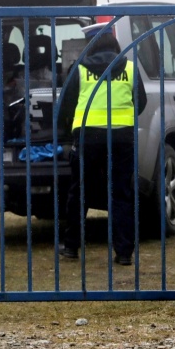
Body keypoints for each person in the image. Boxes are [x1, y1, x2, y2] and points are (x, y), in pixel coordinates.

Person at [60, 25, 147, 265]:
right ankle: (123, 253)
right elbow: (141, 102)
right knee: (121, 193)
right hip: (122, 139)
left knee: (80, 192)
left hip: (88, 138)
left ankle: (71, 246)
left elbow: (66, 104)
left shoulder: (79, 69)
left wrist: (69, 129)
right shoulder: (129, 68)